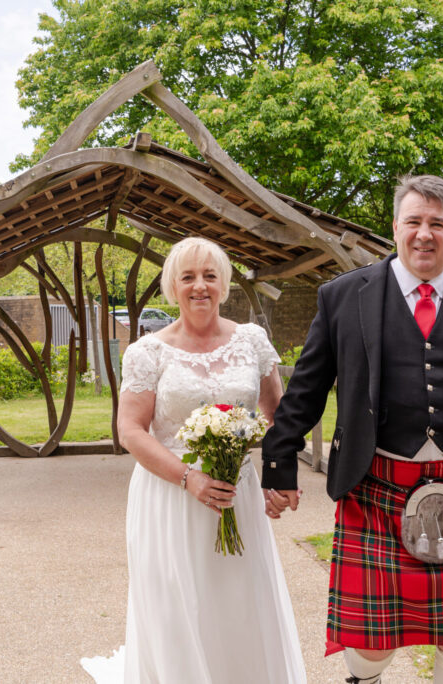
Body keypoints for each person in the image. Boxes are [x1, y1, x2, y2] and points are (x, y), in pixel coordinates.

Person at [261, 175, 443, 684]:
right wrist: (279, 463)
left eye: (438, 223)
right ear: (395, 227)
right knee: (369, 642)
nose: (424, 234)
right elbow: (306, 390)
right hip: (376, 489)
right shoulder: (343, 297)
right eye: (414, 221)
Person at [81, 237, 306, 684]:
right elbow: (129, 430)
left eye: (210, 276)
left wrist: (279, 477)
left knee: (240, 600)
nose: (199, 286)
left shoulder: (251, 340)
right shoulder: (148, 351)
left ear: (223, 284)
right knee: (176, 606)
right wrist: (189, 478)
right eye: (188, 277)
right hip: (170, 496)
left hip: (236, 492)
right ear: (172, 286)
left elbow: (276, 413)